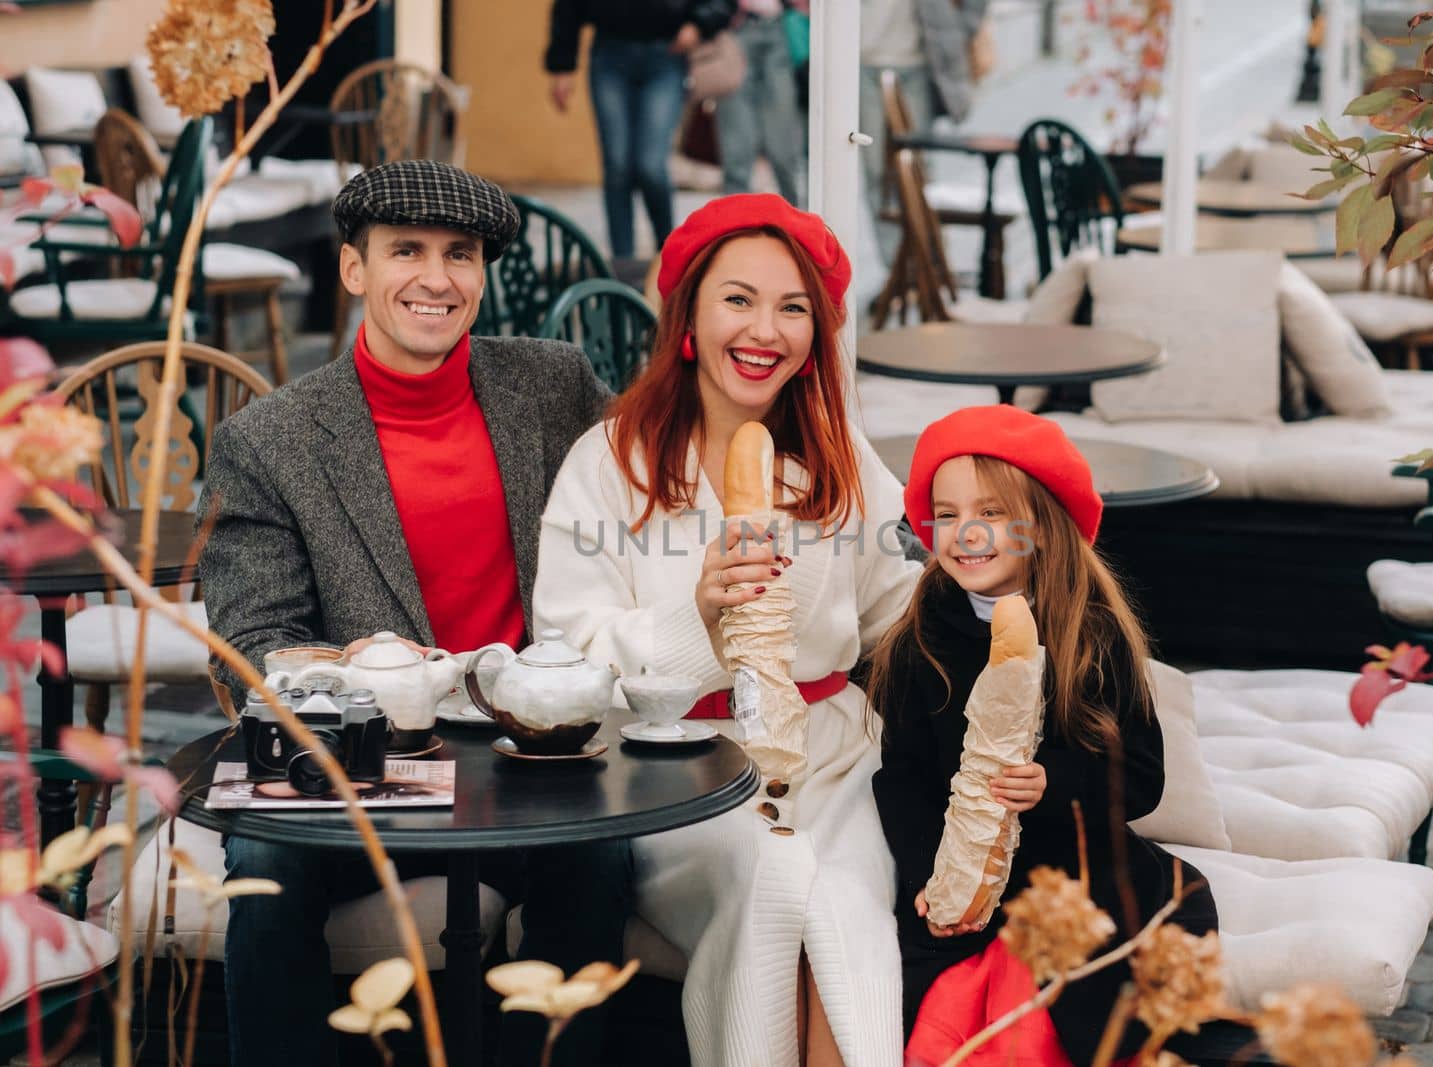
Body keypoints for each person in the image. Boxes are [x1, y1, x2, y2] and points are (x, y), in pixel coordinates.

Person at [197, 159, 630, 1067]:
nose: (437, 278)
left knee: (598, 861)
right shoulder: (270, 440)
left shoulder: (552, 386)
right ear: (353, 268)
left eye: (461, 254)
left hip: (527, 757)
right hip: (367, 773)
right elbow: (248, 648)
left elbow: (651, 495)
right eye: (407, 251)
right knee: (265, 875)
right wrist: (349, 663)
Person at [533, 193, 920, 1065]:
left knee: (846, 912)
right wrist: (696, 615)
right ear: (689, 317)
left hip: (831, 761)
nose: (764, 329)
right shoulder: (610, 462)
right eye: (738, 299)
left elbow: (901, 609)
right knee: (775, 878)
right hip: (672, 772)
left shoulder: (842, 455)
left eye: (793, 309)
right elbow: (566, 650)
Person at [867, 405, 1219, 1066]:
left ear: (1043, 525)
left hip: (1075, 870)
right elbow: (903, 774)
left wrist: (1054, 781)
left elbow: (1140, 775)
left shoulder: (1092, 632)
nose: (965, 532)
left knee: (1059, 1010)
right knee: (943, 1012)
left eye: (992, 513)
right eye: (946, 514)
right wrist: (926, 875)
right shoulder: (924, 637)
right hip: (967, 877)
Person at [545, 0, 736, 259]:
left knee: (651, 167)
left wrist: (699, 23)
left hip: (666, 55)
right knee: (617, 166)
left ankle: (669, 256)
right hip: (609, 56)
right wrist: (562, 66)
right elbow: (568, 6)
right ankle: (622, 264)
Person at [858, 0, 989, 264]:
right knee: (876, 173)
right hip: (861, 63)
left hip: (916, 63)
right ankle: (896, 269)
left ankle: (925, 263)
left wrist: (956, 31)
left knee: (918, 170)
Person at [718, 0, 806, 204]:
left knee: (784, 148)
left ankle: (797, 226)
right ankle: (734, 227)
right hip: (737, 28)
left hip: (783, 27)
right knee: (737, 148)